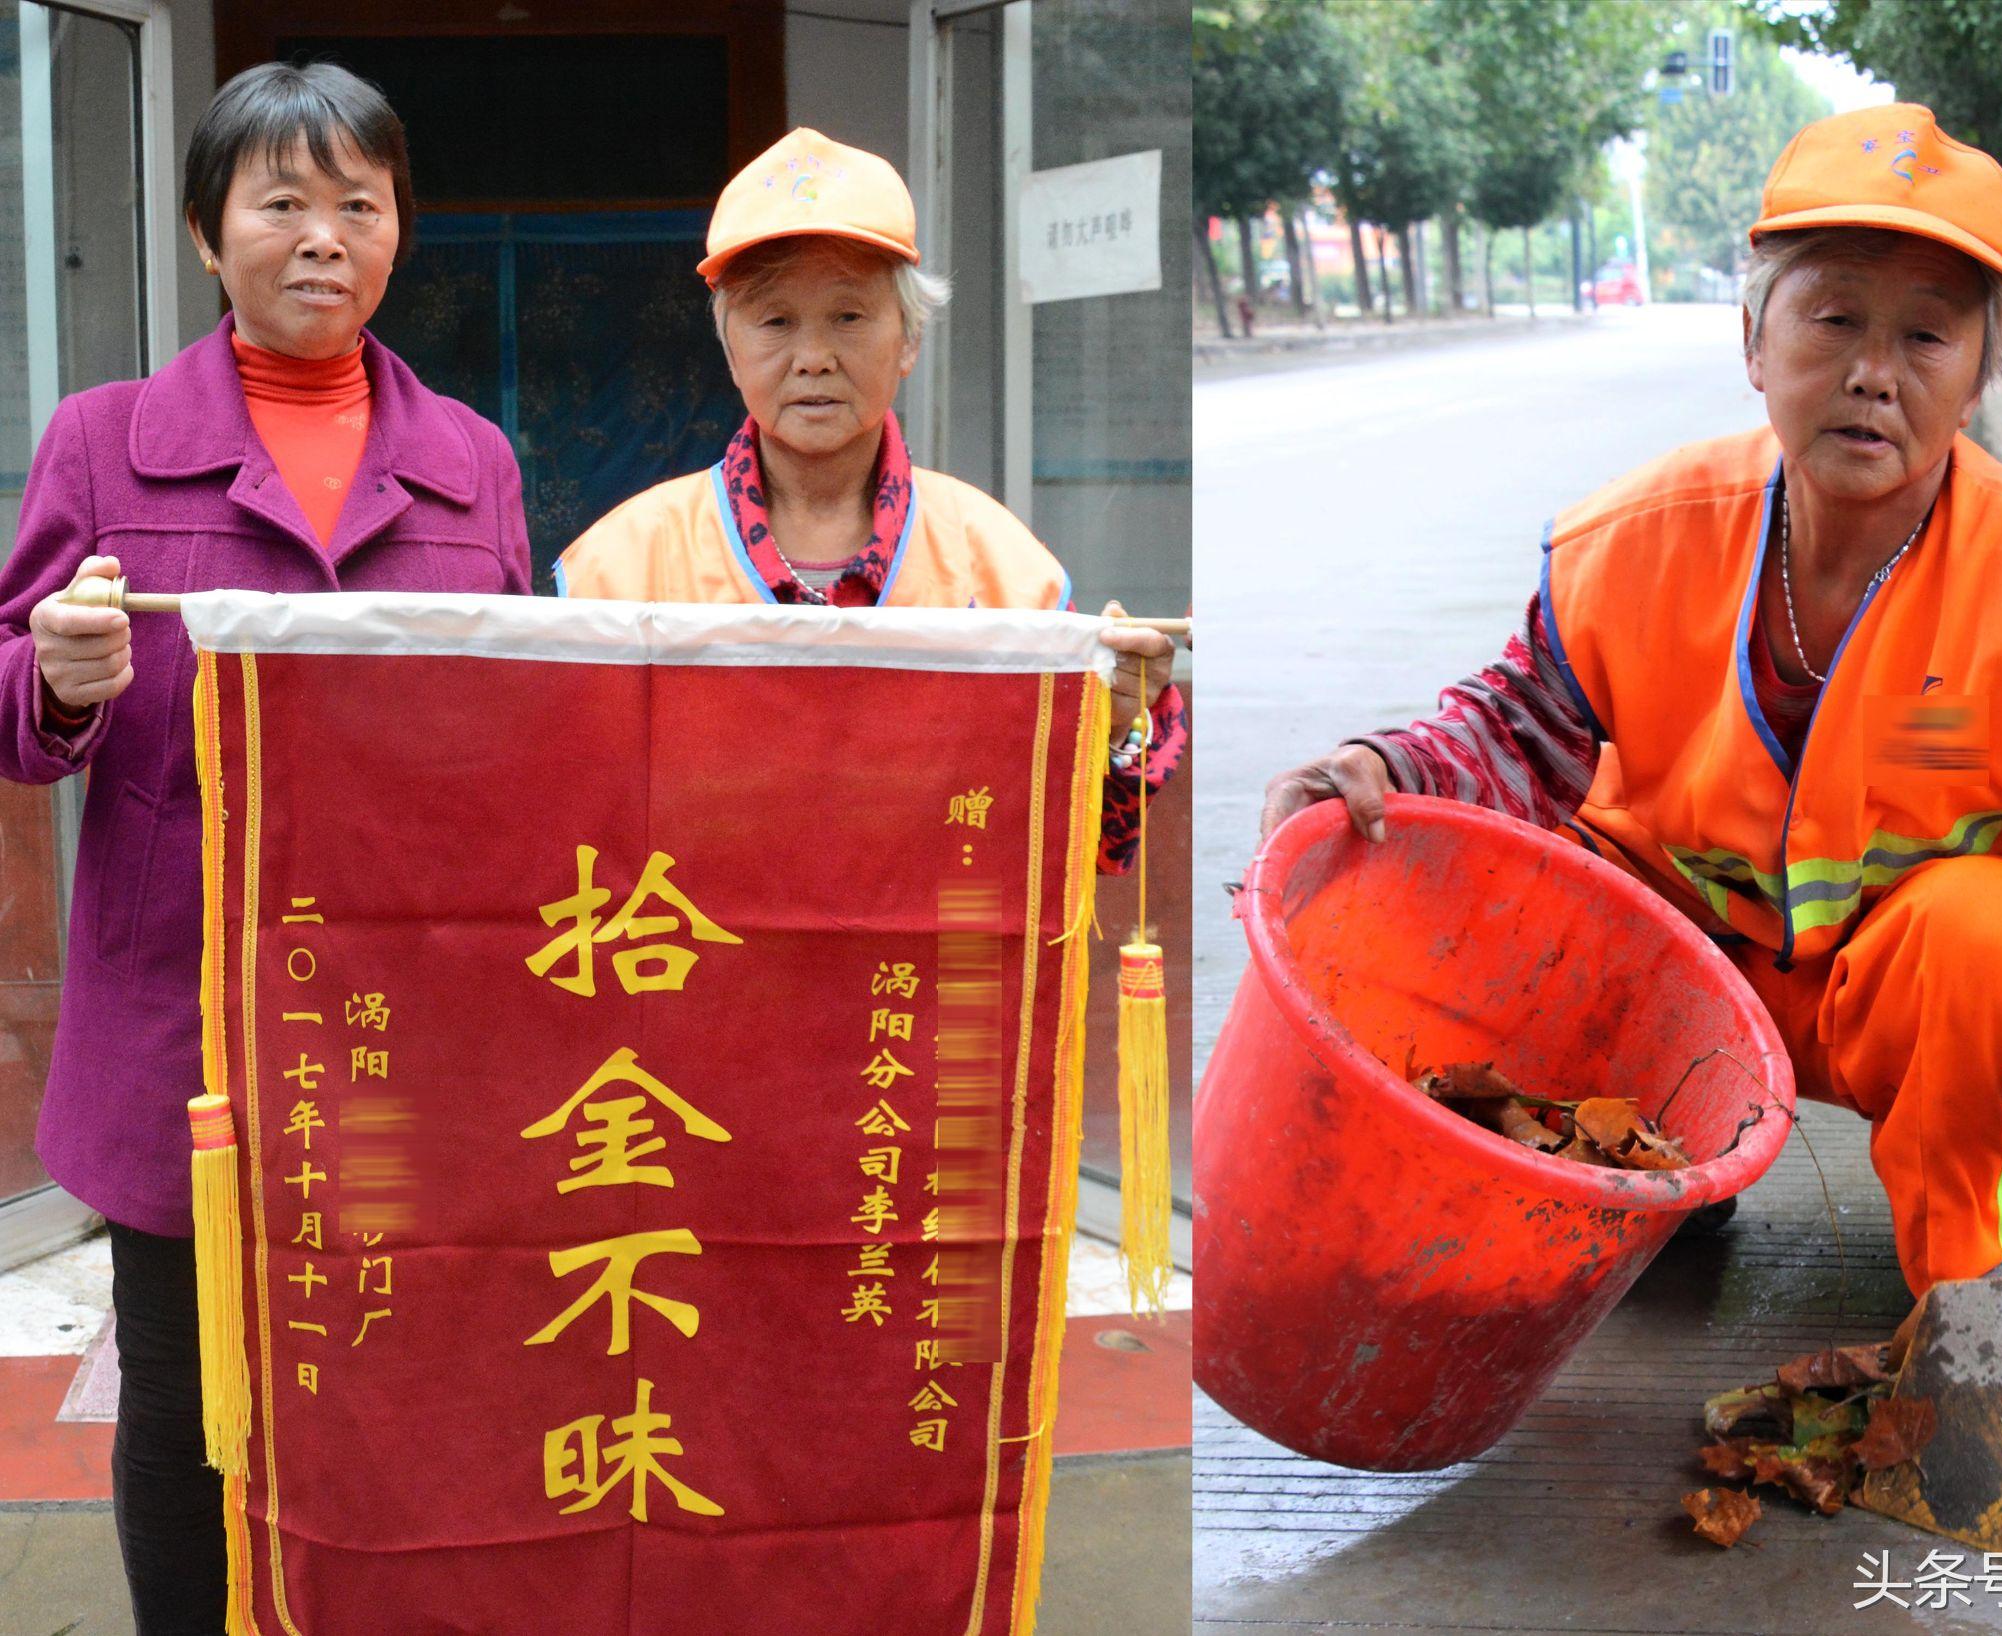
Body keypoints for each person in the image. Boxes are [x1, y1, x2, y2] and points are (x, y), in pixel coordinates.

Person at [1260, 106, 2002, 1296]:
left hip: (1913, 993)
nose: (1871, 373)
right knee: (1550, 880)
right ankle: (1663, 1158)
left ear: (1978, 378)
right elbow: (1510, 732)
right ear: (1753, 341)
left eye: (1925, 335)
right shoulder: (1632, 542)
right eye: (1832, 318)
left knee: (1989, 936)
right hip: (1698, 964)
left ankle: (1969, 1289)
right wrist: (1387, 768)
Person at [0, 63, 531, 1632]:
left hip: (404, 1007)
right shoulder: (104, 443)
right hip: (182, 1010)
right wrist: (57, 680)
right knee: (179, 1391)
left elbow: (522, 717)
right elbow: (11, 685)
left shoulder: (474, 463)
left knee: (387, 1369)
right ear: (204, 230)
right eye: (281, 201)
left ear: (398, 232)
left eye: (358, 203)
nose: (323, 236)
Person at [554, 129, 1181, 870]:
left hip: (933, 970)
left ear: (909, 340)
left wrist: (1114, 722)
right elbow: (566, 819)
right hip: (698, 967)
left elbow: (1084, 846)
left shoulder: (1004, 568)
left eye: (849, 317)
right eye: (775, 321)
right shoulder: (619, 565)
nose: (813, 356)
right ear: (729, 348)